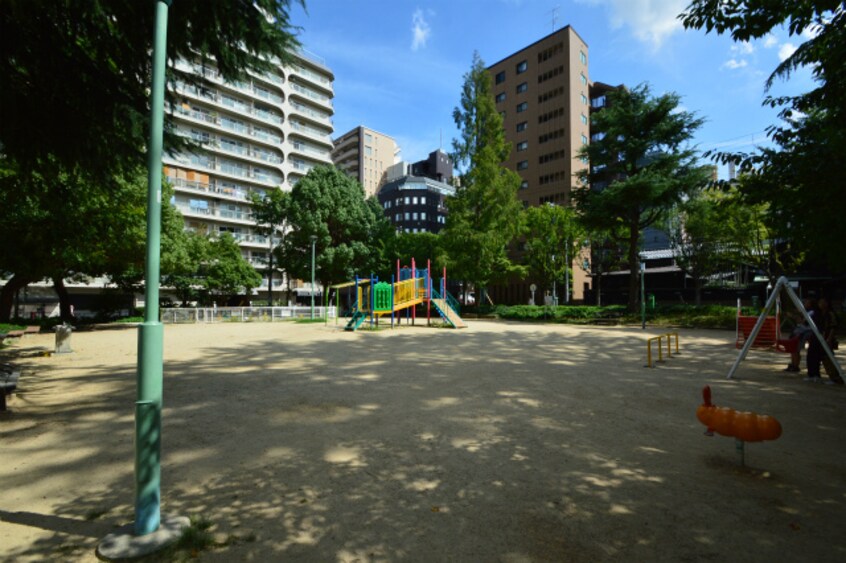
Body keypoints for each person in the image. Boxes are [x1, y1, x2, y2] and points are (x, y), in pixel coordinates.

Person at [805, 297, 844, 384]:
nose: (822, 304)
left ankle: (835, 378)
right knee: (812, 356)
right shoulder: (817, 313)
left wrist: (829, 339)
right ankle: (813, 374)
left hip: (826, 338)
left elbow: (833, 327)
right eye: (820, 302)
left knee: (827, 358)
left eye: (824, 302)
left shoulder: (830, 314)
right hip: (816, 338)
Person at [784, 298, 815, 373]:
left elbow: (803, 322)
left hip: (804, 332)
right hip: (799, 331)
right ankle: (793, 364)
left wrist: (794, 316)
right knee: (794, 349)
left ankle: (795, 365)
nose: (805, 304)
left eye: (807, 303)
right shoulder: (805, 312)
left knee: (796, 348)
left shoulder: (811, 312)